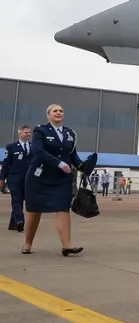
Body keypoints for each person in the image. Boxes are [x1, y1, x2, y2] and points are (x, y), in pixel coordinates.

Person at [22, 104, 88, 256]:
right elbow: (38, 151)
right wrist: (60, 164)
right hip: (39, 177)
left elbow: (72, 155)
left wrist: (82, 166)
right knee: (34, 210)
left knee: (63, 208)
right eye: (55, 111)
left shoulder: (70, 133)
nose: (58, 112)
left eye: (61, 111)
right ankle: (27, 243)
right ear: (48, 115)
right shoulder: (40, 130)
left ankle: (67, 245)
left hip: (61, 179)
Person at [1, 125, 33, 232]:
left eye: (29, 132)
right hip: (14, 178)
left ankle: (13, 224)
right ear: (20, 134)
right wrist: (2, 179)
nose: (28, 134)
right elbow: (6, 164)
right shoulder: (11, 147)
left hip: (27, 179)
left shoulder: (33, 147)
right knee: (16, 199)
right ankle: (19, 220)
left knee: (20, 200)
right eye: (26, 132)